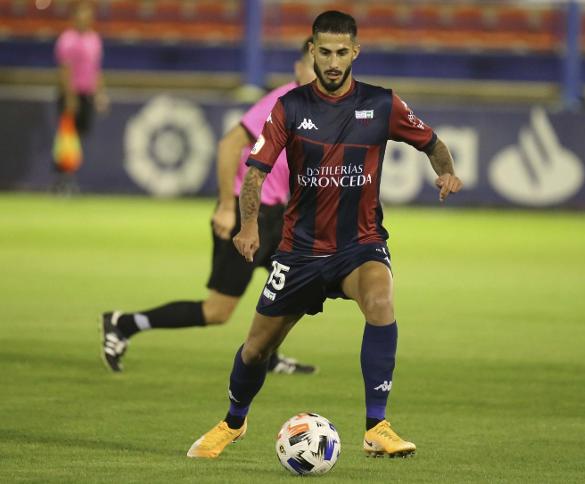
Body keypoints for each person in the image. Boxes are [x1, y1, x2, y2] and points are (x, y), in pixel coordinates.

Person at [186, 11, 463, 460]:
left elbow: (431, 142)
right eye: (325, 52)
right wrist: (250, 225)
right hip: (300, 252)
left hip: (360, 245)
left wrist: (447, 173)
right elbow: (255, 172)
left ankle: (377, 426)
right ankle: (233, 422)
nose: (333, 62)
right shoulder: (290, 107)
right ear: (312, 52)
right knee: (257, 349)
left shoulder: (383, 104)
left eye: (341, 52)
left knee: (380, 301)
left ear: (355, 51)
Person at [100, 38, 318, 375]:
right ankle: (124, 323)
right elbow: (229, 145)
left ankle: (266, 353)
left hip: (277, 216)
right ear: (299, 68)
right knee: (218, 311)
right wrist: (227, 207)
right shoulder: (281, 101)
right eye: (312, 66)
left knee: (295, 285)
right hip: (248, 212)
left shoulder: (315, 108)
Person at [53, 0, 108, 193]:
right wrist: (70, 96)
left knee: (79, 137)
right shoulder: (67, 39)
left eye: (87, 14)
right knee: (68, 138)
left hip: (87, 94)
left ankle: (68, 177)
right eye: (81, 14)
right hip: (72, 94)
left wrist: (100, 94)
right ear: (74, 17)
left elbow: (96, 70)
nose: (84, 18)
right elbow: (65, 70)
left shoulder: (94, 39)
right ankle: (63, 180)